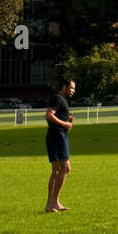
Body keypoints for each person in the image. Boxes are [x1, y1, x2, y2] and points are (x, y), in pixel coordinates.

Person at [44, 77, 75, 213]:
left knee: (57, 170)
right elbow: (49, 115)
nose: (73, 91)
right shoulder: (58, 98)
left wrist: (66, 120)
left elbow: (55, 116)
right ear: (64, 86)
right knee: (65, 168)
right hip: (57, 136)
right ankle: (53, 203)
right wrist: (65, 124)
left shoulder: (62, 100)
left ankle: (51, 204)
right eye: (72, 88)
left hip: (57, 135)